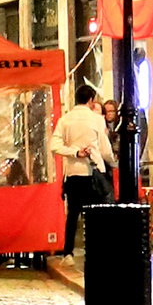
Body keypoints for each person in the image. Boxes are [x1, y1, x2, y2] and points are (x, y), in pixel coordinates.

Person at [49, 84, 115, 257]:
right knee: (94, 213)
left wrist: (74, 152)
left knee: (73, 214)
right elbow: (105, 149)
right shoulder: (97, 120)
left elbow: (54, 145)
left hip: (73, 173)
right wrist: (112, 163)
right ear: (91, 100)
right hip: (93, 172)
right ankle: (95, 251)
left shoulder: (65, 119)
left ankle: (68, 252)